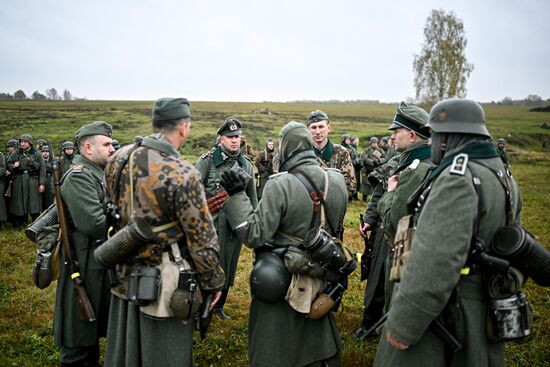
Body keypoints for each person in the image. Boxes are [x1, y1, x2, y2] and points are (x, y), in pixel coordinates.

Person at [373, 99, 523, 366]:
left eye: (436, 136)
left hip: (444, 316)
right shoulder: (504, 177)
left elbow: (435, 261)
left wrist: (404, 325)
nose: (431, 144)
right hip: (482, 308)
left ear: (449, 137)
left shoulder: (457, 180)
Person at [103, 98, 225, 367]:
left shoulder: (117, 159)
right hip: (164, 278)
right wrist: (213, 281)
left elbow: (109, 208)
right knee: (165, 354)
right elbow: (201, 238)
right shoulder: (184, 173)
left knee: (126, 351)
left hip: (122, 270)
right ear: (184, 127)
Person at [220, 121, 349, 366]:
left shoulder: (279, 184)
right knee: (316, 337)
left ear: (286, 148)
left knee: (274, 345)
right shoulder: (338, 181)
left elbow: (254, 235)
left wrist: (237, 196)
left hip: (283, 280)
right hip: (323, 275)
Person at [357, 102, 433, 337]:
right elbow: (379, 190)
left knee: (393, 285)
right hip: (385, 232)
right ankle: (370, 323)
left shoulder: (417, 167)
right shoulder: (403, 161)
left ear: (411, 135)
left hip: (402, 239)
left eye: (397, 131)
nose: (393, 136)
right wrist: (370, 218)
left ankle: (390, 331)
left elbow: (397, 215)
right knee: (377, 278)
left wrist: (390, 195)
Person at [53, 121, 115, 366]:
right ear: (88, 148)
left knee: (91, 331)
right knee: (77, 334)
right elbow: (95, 223)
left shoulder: (98, 172)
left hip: (97, 262)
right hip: (83, 262)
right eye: (107, 144)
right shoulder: (79, 176)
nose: (112, 148)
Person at [195, 116, 257, 320]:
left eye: (237, 136)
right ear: (221, 138)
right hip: (209, 226)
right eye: (230, 136)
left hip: (233, 228)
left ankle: (219, 306)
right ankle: (201, 306)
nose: (234, 140)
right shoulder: (207, 162)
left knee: (228, 265)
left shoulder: (246, 165)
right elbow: (192, 194)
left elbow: (252, 199)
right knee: (206, 265)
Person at [307, 110, 356, 197]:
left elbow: (351, 185)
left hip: (333, 206)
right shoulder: (303, 153)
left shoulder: (341, 152)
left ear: (329, 128)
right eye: (314, 127)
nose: (317, 132)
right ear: (308, 130)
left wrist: (325, 194)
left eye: (321, 127)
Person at [6, 134, 45, 226]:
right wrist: (13, 166)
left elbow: (42, 169)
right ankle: (22, 223)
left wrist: (42, 183)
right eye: (21, 142)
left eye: (25, 142)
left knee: (33, 202)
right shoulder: (16, 152)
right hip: (19, 180)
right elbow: (8, 163)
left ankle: (36, 224)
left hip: (33, 180)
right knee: (20, 202)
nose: (23, 144)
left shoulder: (37, 153)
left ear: (30, 143)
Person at [360, 137, 386, 201]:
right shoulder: (367, 150)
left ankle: (374, 198)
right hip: (368, 169)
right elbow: (364, 158)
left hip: (377, 170)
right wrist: (372, 161)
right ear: (371, 143)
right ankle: (364, 197)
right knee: (366, 184)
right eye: (373, 143)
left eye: (376, 143)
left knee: (375, 184)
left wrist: (379, 161)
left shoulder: (380, 150)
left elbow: (385, 158)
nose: (374, 144)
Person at [342, 134, 361, 200]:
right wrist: (355, 162)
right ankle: (349, 197)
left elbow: (356, 156)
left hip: (355, 167)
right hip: (348, 167)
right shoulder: (342, 148)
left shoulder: (352, 147)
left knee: (355, 181)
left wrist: (358, 161)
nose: (348, 141)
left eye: (349, 140)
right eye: (346, 140)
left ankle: (354, 195)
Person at [40, 145, 55, 210]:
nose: (45, 153)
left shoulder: (53, 160)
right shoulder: (39, 160)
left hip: (50, 179)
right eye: (43, 151)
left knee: (49, 198)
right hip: (40, 179)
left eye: (47, 151)